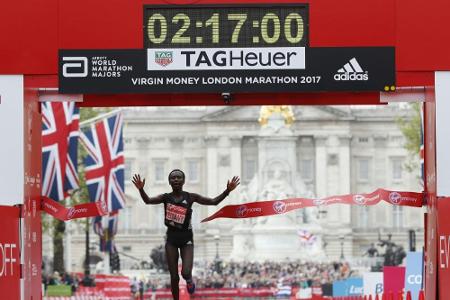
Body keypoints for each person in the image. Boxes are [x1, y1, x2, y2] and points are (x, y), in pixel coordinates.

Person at [132, 170, 240, 300]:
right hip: (171, 239)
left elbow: (213, 202)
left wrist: (227, 191)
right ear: (169, 181)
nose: (176, 179)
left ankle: (189, 280)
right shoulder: (165, 197)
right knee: (173, 276)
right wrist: (141, 189)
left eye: (179, 177)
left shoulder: (191, 197)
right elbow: (148, 201)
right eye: (173, 178)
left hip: (186, 239)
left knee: (185, 272)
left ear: (183, 181)